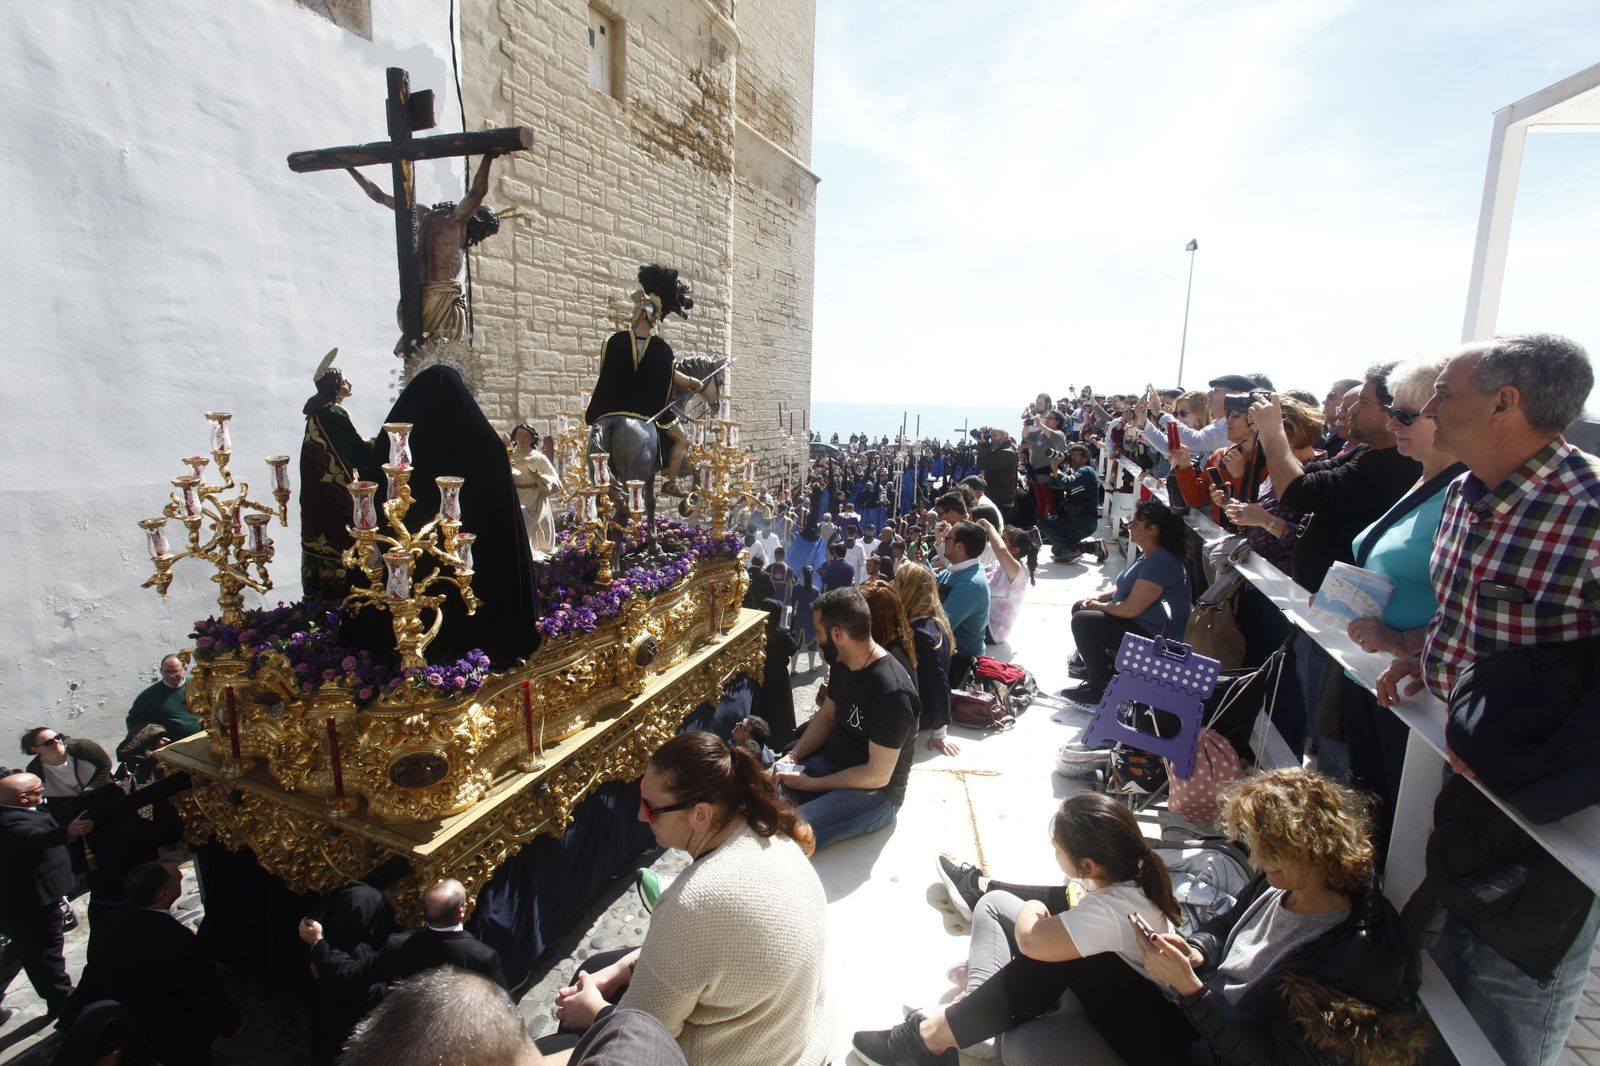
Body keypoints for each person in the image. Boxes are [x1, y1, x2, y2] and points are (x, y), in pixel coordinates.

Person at [1376, 333, 1600, 1066]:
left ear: (1507, 403)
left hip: (1554, 816)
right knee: (1450, 962)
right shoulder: (1468, 492)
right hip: (1467, 779)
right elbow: (1466, 614)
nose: (1428, 405)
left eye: (1445, 390)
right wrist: (1428, 663)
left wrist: (1557, 759)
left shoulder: (1590, 513)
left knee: (1511, 990)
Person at [552, 732, 831, 1064]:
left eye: (650, 808)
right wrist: (621, 969)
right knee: (597, 966)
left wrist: (594, 1012)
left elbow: (643, 1034)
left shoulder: (693, 903)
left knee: (559, 1043)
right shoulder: (768, 833)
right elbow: (712, 946)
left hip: (754, 1053)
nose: (641, 817)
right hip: (799, 1032)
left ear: (700, 815)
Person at [852, 793, 1188, 1066]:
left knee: (1022, 1048)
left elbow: (1031, 941)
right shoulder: (1127, 876)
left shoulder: (1113, 910)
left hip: (1135, 1035)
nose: (1054, 852)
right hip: (1104, 999)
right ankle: (970, 1018)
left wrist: (1033, 908)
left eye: (1058, 848)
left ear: (1089, 865)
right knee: (995, 902)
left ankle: (932, 1038)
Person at [1135, 769, 1429, 1066]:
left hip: (1218, 1039)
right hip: (1208, 1013)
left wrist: (1192, 991)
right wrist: (1197, 950)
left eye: (1272, 849)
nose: (1257, 860)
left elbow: (1272, 1059)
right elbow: (1229, 923)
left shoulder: (1344, 961)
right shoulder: (1280, 884)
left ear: (1313, 847)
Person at [1332, 356, 1465, 841]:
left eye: (1405, 415)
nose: (1391, 423)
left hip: (1420, 696)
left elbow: (1486, 610)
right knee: (1368, 808)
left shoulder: (1460, 493)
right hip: (1381, 676)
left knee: (1396, 826)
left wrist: (1407, 640)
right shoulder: (1424, 480)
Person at [778, 588, 921, 849]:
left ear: (837, 635)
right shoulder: (844, 662)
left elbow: (877, 775)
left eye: (819, 633)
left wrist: (813, 785)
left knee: (790, 834)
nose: (816, 639)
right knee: (762, 799)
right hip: (834, 764)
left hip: (875, 793)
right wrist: (793, 757)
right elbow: (827, 715)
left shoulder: (892, 692)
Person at [67, 862, 241, 1066]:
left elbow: (94, 972)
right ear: (164, 895)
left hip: (130, 1031)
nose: (181, 873)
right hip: (179, 1038)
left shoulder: (107, 924)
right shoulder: (178, 941)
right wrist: (231, 1025)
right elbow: (206, 989)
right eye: (176, 878)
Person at [347, 152, 503, 353]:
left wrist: (349, 167)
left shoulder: (423, 214)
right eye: (482, 235)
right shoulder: (458, 220)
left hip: (412, 304)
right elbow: (476, 192)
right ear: (475, 219)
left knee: (418, 359)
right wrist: (489, 156)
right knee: (446, 359)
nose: (477, 240)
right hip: (439, 305)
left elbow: (379, 196)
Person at [584, 265, 706, 494]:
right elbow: (672, 376)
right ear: (654, 318)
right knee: (682, 439)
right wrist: (694, 383)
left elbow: (608, 374)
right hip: (647, 409)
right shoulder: (661, 348)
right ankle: (670, 482)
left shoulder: (615, 341)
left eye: (635, 311)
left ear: (640, 313)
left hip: (608, 409)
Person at [1058, 500, 1190, 710]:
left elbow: (1129, 609)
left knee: (1083, 621)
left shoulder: (1162, 562)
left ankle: (1098, 687)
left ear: (1152, 529)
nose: (1130, 526)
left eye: (1137, 523)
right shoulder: (1148, 553)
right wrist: (1099, 597)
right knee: (1080, 607)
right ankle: (1100, 669)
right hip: (1139, 624)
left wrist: (1099, 607)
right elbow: (1125, 585)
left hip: (1156, 639)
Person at [298, 877, 506, 994]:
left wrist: (318, 943)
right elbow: (505, 1006)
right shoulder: (482, 956)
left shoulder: (399, 945)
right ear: (462, 911)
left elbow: (352, 975)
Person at [0, 772, 92, 1017]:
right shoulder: (9, 822)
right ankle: (62, 1000)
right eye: (38, 789)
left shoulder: (29, 809)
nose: (43, 791)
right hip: (31, 902)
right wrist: (69, 831)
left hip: (38, 895)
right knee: (46, 952)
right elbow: (37, 838)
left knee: (24, 949)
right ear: (22, 798)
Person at [299, 348, 382, 600]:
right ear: (334, 386)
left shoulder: (318, 413)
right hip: (336, 496)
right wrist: (384, 443)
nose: (350, 384)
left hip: (316, 496)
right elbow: (357, 454)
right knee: (342, 545)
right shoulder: (333, 414)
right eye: (345, 381)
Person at [1211, 397, 1324, 575]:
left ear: (1287, 432)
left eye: (1262, 433)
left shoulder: (1321, 475)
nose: (1259, 441)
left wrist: (1264, 520)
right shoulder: (1281, 467)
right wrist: (1233, 506)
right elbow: (1263, 513)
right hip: (1259, 576)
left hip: (1282, 587)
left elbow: (1312, 543)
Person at [893, 562, 958, 755]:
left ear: (909, 590)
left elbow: (939, 683)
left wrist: (939, 733)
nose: (891, 584)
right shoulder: (928, 622)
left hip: (920, 717)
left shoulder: (922, 635)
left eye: (896, 582)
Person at [22, 728, 112, 828]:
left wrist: (91, 789)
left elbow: (106, 765)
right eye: (49, 742)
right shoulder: (34, 770)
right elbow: (39, 796)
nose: (56, 742)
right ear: (34, 749)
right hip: (73, 811)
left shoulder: (81, 747)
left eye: (58, 737)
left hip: (104, 794)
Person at [936, 521, 990, 687]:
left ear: (959, 546)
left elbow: (940, 627)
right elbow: (933, 585)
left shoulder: (970, 583)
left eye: (947, 537)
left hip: (961, 664)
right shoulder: (956, 570)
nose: (944, 539)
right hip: (947, 653)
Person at [1039, 443, 1101, 564]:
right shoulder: (1074, 473)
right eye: (1070, 455)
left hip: (1082, 521)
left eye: (1075, 455)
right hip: (1075, 520)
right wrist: (1055, 470)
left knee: (1043, 523)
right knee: (1057, 550)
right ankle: (1092, 547)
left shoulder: (1087, 470)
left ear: (1085, 458)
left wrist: (1056, 469)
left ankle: (1073, 550)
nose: (1071, 458)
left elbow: (1066, 483)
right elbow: (1054, 485)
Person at [978, 519, 1036, 646]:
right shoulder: (998, 564)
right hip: (981, 618)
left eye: (1003, 539)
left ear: (1015, 550)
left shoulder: (1018, 571)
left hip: (992, 630)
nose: (999, 540)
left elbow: (1001, 550)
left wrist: (989, 527)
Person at [510, 423, 561, 557]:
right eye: (519, 435)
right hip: (516, 496)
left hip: (536, 498)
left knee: (532, 522)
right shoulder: (509, 457)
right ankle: (520, 549)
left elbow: (556, 480)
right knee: (519, 513)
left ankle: (532, 549)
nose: (522, 438)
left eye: (526, 436)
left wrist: (539, 477)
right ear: (514, 437)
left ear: (532, 439)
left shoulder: (539, 458)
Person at [125, 654, 201, 740]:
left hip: (204, 738)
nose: (172, 675)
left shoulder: (197, 685)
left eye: (176, 671)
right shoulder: (148, 696)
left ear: (185, 669)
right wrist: (154, 741)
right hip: (172, 747)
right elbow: (134, 723)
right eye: (168, 671)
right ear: (161, 671)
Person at [1021, 410, 1068, 519]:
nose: (1046, 419)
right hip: (1036, 474)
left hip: (1048, 475)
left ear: (1057, 422)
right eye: (1046, 417)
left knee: (1051, 503)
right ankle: (1041, 523)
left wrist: (1040, 424)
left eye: (1050, 418)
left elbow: (1056, 438)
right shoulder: (1040, 434)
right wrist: (1026, 426)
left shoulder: (1059, 433)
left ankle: (1052, 525)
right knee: (1040, 502)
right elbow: (1025, 436)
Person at [976, 427, 1020, 523]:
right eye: (991, 436)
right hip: (996, 498)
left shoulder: (1007, 453)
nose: (993, 439)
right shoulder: (1000, 451)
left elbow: (984, 464)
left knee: (995, 530)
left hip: (1001, 502)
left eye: (995, 435)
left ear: (1004, 437)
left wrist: (984, 445)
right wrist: (984, 442)